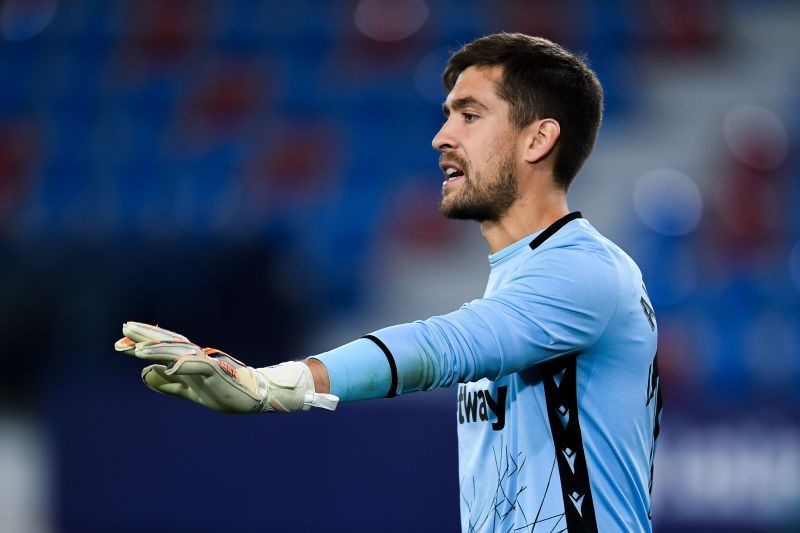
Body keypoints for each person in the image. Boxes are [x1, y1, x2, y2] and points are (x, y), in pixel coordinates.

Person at [116, 33, 662, 533]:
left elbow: (442, 346)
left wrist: (275, 386)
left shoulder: (582, 269)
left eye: (470, 116)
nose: (440, 138)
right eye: (447, 115)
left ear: (537, 138)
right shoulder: (525, 280)